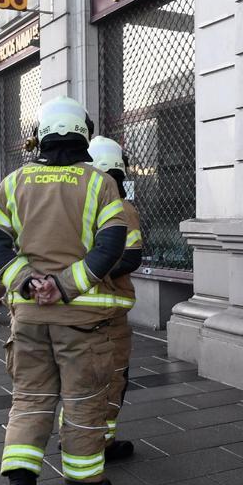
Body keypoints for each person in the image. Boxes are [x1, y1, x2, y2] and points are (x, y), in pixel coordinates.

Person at [0, 96, 127, 485]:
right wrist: (64, 286)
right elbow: (112, 242)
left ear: (39, 135)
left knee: (29, 398)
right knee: (83, 401)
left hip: (28, 318)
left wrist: (27, 282)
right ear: (84, 132)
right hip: (82, 321)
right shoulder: (100, 182)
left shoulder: (14, 182)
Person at [88, 136, 143, 460]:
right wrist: (101, 274)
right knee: (113, 377)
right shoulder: (122, 207)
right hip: (110, 310)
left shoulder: (80, 206)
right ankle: (102, 442)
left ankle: (76, 437)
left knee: (82, 379)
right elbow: (132, 257)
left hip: (76, 310)